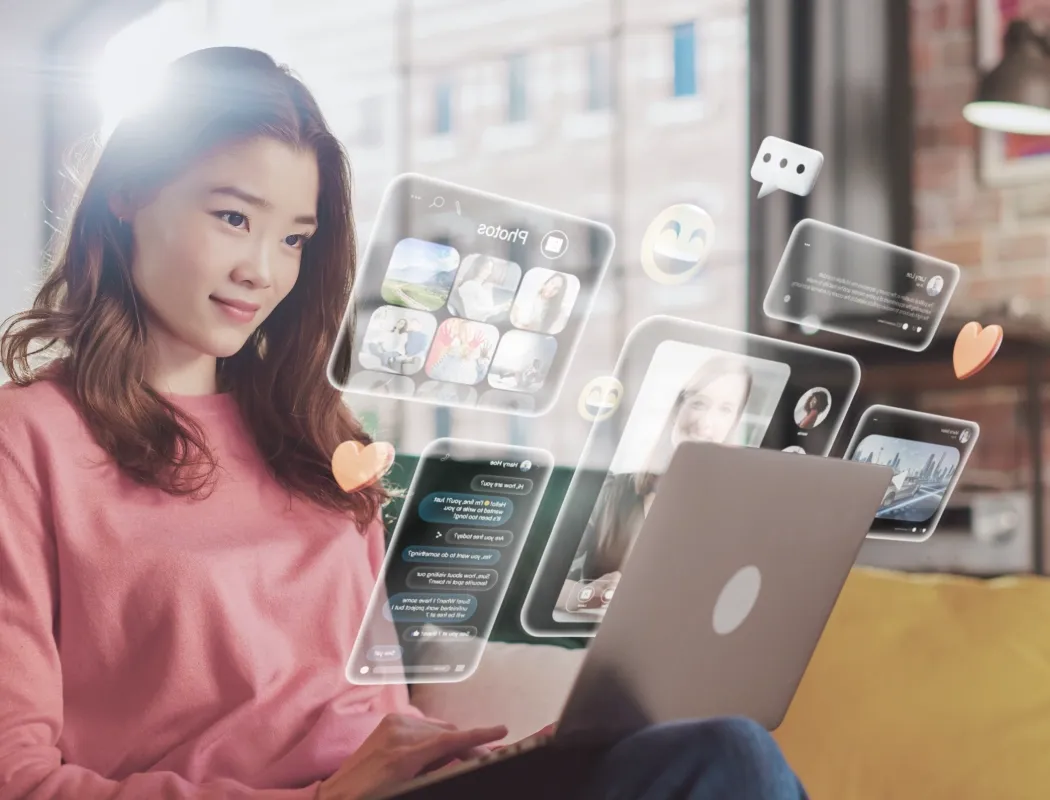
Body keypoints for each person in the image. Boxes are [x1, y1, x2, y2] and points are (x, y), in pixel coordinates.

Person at [0, 46, 807, 800]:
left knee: (722, 751)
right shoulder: (26, 441)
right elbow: (19, 778)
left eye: (294, 239)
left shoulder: (315, 430)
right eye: (233, 219)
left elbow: (372, 703)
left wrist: (471, 755)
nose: (264, 271)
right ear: (129, 194)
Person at [557, 356, 754, 616]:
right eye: (698, 403)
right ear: (676, 408)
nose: (706, 422)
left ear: (735, 421)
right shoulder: (615, 490)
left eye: (725, 409)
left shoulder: (741, 509)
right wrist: (589, 595)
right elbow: (548, 588)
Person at [447, 256, 512, 322]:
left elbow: (489, 309)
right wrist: (501, 307)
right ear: (478, 267)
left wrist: (489, 292)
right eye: (486, 268)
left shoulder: (481, 287)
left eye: (491, 269)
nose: (489, 272)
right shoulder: (470, 285)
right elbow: (472, 314)